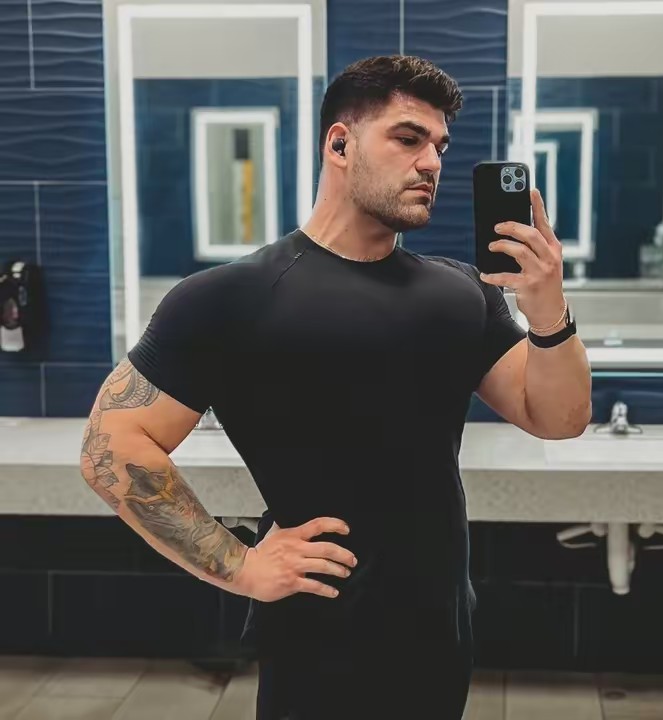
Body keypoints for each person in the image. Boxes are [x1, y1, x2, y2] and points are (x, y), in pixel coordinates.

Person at [81, 55, 591, 719]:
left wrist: (547, 310)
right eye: (407, 138)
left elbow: (557, 418)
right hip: (319, 641)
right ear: (340, 144)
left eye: (440, 146)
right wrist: (239, 565)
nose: (431, 162)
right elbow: (111, 444)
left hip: (441, 632)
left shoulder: (462, 293)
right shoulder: (234, 296)